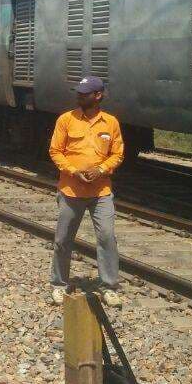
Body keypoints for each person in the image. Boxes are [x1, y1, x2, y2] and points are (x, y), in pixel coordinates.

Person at [49, 76, 125, 307]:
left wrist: (102, 169)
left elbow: (117, 153)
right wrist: (73, 171)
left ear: (98, 96)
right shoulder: (66, 120)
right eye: (79, 93)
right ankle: (59, 284)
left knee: (106, 237)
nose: (79, 96)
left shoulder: (110, 123)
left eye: (84, 93)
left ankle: (109, 287)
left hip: (101, 191)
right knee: (63, 240)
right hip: (71, 191)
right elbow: (55, 151)